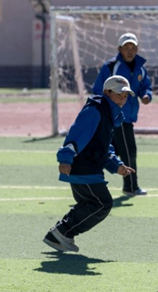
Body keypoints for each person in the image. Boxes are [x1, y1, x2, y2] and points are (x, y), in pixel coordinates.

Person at [44, 76, 136, 253]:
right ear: (107, 92)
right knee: (102, 203)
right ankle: (62, 232)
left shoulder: (108, 113)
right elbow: (77, 134)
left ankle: (59, 234)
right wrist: (66, 158)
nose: (123, 99)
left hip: (90, 167)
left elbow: (102, 146)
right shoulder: (95, 111)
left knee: (90, 203)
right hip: (83, 167)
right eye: (119, 94)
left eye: (125, 96)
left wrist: (116, 165)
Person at [94, 32, 152, 197]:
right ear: (120, 49)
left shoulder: (140, 68)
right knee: (129, 152)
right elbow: (98, 90)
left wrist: (147, 95)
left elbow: (145, 86)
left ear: (137, 49)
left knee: (106, 152)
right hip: (117, 118)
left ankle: (93, 183)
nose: (129, 50)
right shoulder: (110, 67)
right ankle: (131, 186)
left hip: (127, 118)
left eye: (132, 47)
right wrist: (106, 111)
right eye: (126, 47)